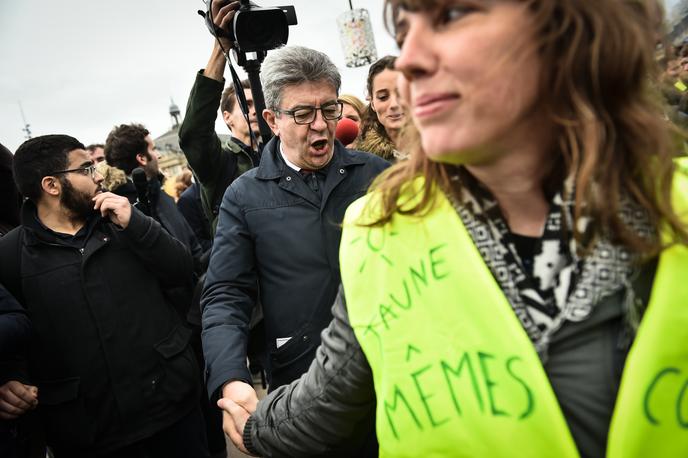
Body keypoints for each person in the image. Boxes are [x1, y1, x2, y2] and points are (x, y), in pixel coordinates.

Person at [219, 1, 688, 457]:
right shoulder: (381, 225)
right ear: (273, 120)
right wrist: (257, 424)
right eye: (404, 34)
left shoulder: (677, 209)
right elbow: (328, 396)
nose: (412, 62)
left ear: (571, 30)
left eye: (452, 16)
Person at [202, 43, 389, 452]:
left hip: (390, 374)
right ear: (272, 119)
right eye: (303, 114)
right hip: (304, 387)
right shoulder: (244, 195)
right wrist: (231, 376)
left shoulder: (379, 176)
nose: (320, 125)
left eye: (329, 109)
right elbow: (225, 294)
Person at [0, 135, 208, 457]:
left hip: (171, 411)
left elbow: (182, 270)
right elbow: (15, 333)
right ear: (52, 185)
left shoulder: (122, 220)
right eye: (86, 168)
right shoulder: (11, 255)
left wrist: (138, 224)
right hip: (89, 433)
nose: (98, 175)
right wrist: (13, 378)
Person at [178, 4, 261, 234]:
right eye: (247, 105)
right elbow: (194, 134)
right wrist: (220, 47)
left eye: (259, 104)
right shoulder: (220, 162)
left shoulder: (280, 151)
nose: (255, 111)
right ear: (227, 117)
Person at [354, 56, 407, 161]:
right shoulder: (364, 161)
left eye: (401, 93)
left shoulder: (444, 145)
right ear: (372, 103)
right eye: (383, 97)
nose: (394, 104)